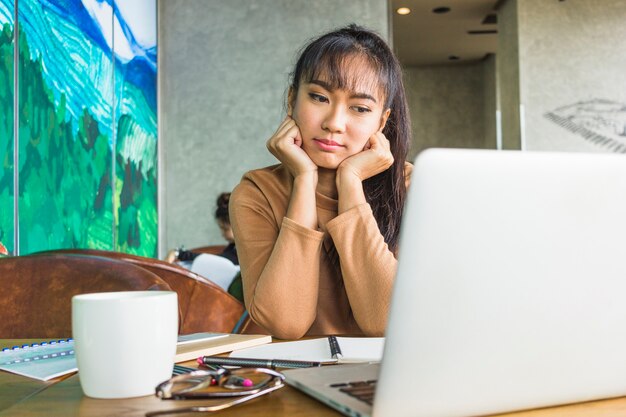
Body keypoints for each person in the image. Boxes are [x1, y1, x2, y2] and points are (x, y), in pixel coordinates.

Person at [229, 24, 412, 339]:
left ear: (381, 121)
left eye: (359, 108)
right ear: (292, 100)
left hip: (394, 377)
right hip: (296, 377)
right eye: (318, 97)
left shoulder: (412, 187)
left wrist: (350, 182)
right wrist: (304, 180)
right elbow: (287, 323)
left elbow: (384, 321)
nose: (334, 123)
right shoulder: (256, 193)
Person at [166, 192, 238, 265]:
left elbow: (215, 260)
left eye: (225, 229)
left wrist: (179, 254)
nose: (222, 234)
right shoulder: (232, 247)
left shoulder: (241, 253)